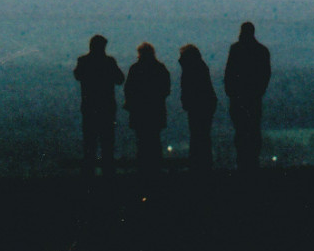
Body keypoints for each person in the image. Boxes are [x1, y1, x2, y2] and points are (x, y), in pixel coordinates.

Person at [73, 35, 125, 175]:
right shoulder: (109, 62)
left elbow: (77, 75)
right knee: (107, 143)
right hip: (107, 108)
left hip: (89, 107)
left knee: (89, 143)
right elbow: (120, 79)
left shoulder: (83, 61)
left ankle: (88, 174)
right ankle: (108, 174)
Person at [224, 21, 272, 170]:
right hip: (253, 98)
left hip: (238, 98)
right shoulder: (262, 51)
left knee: (240, 131)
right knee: (253, 130)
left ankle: (243, 162)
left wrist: (230, 92)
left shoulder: (236, 49)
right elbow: (265, 75)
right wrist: (259, 91)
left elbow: (229, 73)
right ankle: (252, 162)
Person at [124, 43, 170, 176]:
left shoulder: (135, 68)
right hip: (155, 111)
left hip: (139, 112)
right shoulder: (160, 68)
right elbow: (165, 89)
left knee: (142, 141)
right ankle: (155, 168)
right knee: (155, 140)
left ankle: (143, 168)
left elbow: (129, 89)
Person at [177, 44, 217, 172]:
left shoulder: (190, 68)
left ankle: (197, 163)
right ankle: (203, 164)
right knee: (202, 135)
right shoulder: (200, 66)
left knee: (197, 135)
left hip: (197, 106)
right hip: (204, 105)